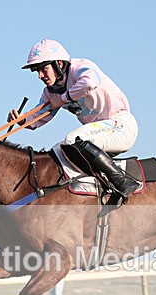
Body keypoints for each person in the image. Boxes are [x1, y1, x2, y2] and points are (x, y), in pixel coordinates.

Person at [8, 39, 140, 202]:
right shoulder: (50, 92)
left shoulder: (80, 67)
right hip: (98, 135)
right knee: (58, 150)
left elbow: (90, 83)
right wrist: (21, 120)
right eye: (37, 71)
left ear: (59, 64)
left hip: (120, 126)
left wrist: (63, 99)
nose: (41, 76)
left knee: (73, 139)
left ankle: (123, 182)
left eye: (44, 69)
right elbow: (38, 117)